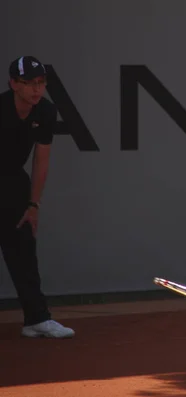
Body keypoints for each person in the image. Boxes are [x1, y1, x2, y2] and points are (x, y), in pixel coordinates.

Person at [0, 56, 74, 338]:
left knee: (24, 255)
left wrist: (33, 204)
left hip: (15, 184)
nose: (36, 89)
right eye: (28, 83)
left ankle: (36, 319)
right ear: (13, 84)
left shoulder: (45, 111)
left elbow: (41, 161)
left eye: (40, 83)